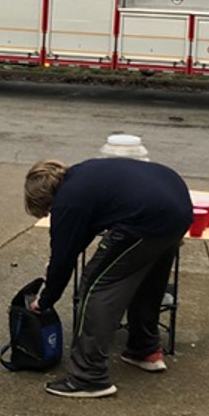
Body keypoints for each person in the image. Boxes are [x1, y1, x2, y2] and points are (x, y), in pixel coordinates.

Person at [22, 157, 190, 398]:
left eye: (47, 211)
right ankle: (145, 350)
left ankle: (88, 376)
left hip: (146, 219)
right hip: (177, 207)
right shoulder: (83, 175)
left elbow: (63, 259)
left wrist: (46, 300)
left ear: (45, 199)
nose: (51, 214)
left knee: (95, 286)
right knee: (145, 281)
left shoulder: (67, 201)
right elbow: (83, 233)